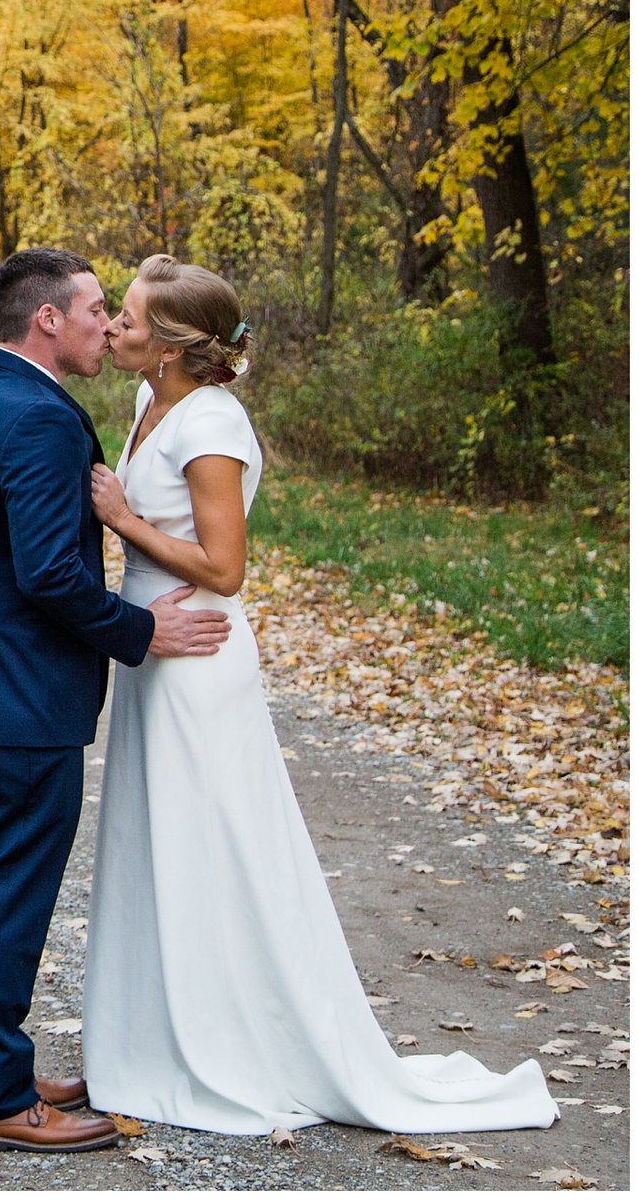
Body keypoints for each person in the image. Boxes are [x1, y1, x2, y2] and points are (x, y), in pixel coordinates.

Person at [80, 255, 557, 1135]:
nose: (112, 328)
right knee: (160, 843)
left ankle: (243, 1044)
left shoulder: (214, 423)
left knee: (218, 844)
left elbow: (227, 567)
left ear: (179, 346)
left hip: (201, 657)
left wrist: (124, 521)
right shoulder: (154, 400)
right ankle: (154, 1038)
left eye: (132, 321)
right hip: (154, 651)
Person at [0, 247, 231, 1153]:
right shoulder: (41, 422)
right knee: (4, 891)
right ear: (48, 320)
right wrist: (144, 634)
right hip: (22, 696)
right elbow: (51, 573)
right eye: (98, 308)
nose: (109, 322)